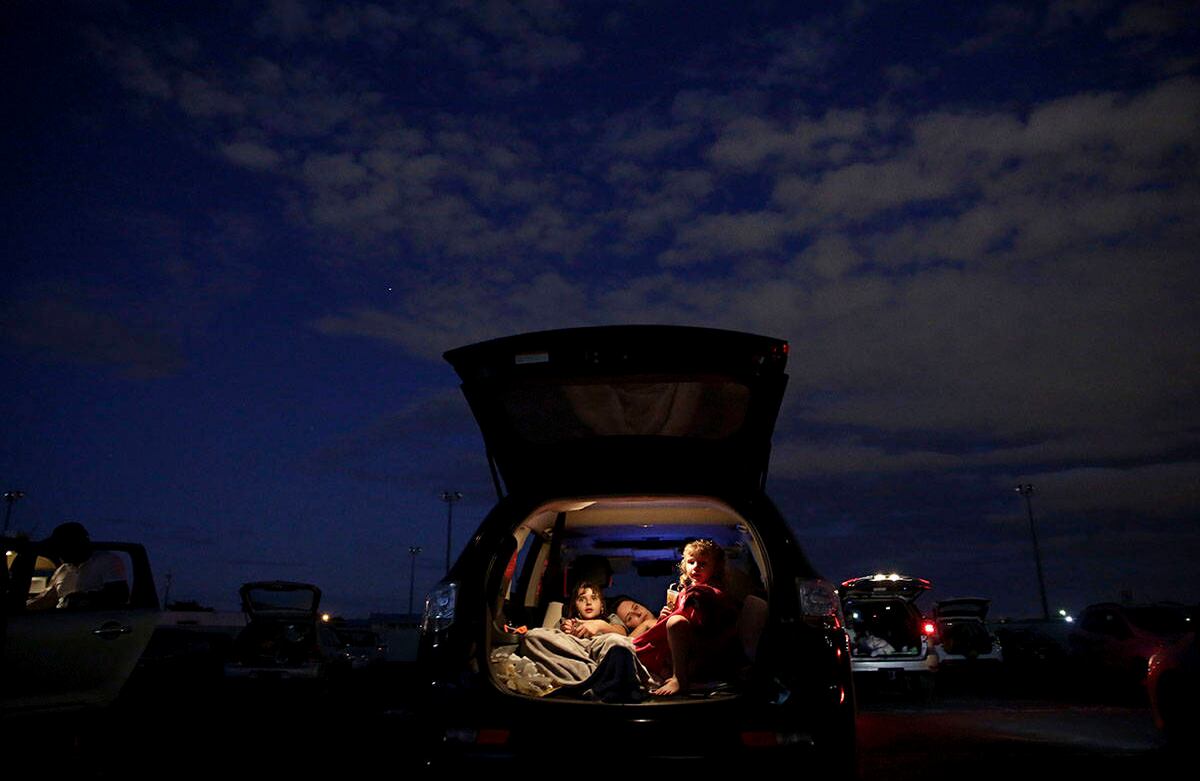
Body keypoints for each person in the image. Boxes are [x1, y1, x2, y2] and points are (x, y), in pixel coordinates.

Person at [631, 539, 739, 696]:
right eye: (691, 562)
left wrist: (676, 617)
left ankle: (679, 679)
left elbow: (706, 622)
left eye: (703, 564)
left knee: (676, 622)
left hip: (706, 648)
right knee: (669, 623)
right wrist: (664, 618)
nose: (696, 567)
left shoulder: (710, 593)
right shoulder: (686, 591)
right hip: (690, 648)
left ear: (715, 568)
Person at [25, 522, 129, 611]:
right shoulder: (63, 569)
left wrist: (84, 599)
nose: (59, 552)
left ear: (77, 545)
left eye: (64, 546)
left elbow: (119, 595)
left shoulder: (106, 561)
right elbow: (48, 598)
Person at [558, 581, 627, 638]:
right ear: (576, 606)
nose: (588, 602)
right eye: (582, 599)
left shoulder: (611, 619)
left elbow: (623, 635)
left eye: (594, 598)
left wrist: (600, 625)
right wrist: (563, 631)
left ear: (601, 606)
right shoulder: (565, 621)